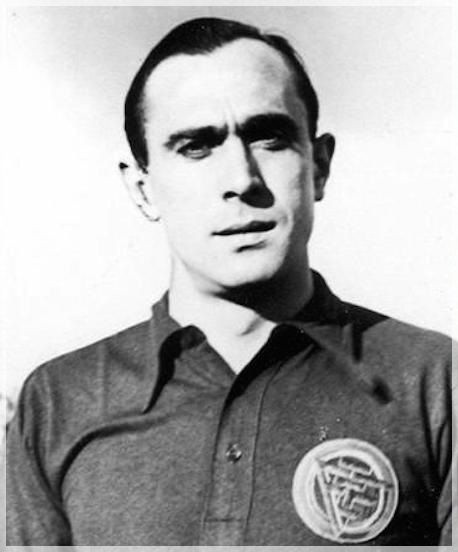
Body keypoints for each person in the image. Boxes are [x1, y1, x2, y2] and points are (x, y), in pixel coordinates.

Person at [6, 17, 453, 546]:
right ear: (143, 189)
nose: (241, 180)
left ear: (319, 166)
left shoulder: (435, 382)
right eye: (196, 147)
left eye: (270, 138)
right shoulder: (57, 403)